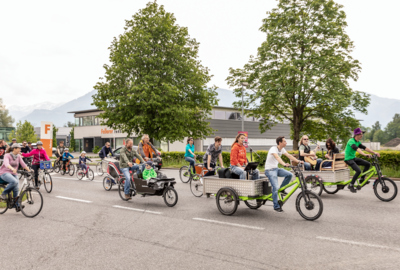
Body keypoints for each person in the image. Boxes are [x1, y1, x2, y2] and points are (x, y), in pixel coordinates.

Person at [265, 136, 303, 213]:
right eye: (284, 141)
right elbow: (277, 157)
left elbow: (289, 156)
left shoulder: (282, 149)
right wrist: (283, 164)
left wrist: (298, 161)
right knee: (275, 187)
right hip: (269, 170)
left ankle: (281, 190)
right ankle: (276, 206)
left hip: (276, 169)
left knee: (289, 175)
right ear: (280, 142)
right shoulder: (273, 149)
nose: (286, 142)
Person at [344, 128, 380, 193]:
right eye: (361, 134)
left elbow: (365, 148)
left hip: (353, 158)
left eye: (362, 134)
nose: (362, 135)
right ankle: (351, 185)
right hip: (348, 159)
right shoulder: (351, 141)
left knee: (368, 164)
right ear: (356, 135)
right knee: (358, 171)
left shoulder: (358, 142)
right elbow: (357, 149)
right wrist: (364, 154)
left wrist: (374, 152)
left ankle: (362, 179)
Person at [0, 144, 30, 211]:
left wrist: (29, 170)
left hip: (14, 173)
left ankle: (16, 205)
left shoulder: (18, 156)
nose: (20, 150)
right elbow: (6, 164)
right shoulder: (7, 155)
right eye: (19, 148)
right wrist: (12, 168)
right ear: (14, 149)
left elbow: (23, 164)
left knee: (16, 188)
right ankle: (3, 194)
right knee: (14, 182)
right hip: (5, 172)